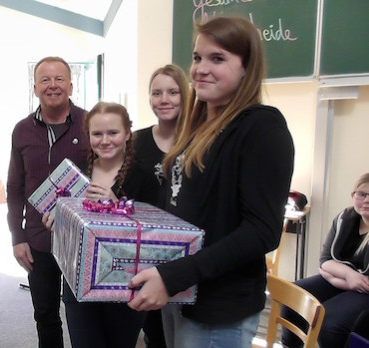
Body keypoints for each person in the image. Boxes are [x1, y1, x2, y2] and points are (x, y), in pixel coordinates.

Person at [127, 16, 295, 348]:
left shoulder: (261, 128)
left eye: (217, 58)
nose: (201, 68)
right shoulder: (199, 126)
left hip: (217, 307)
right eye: (197, 57)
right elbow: (177, 207)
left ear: (247, 67)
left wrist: (175, 275)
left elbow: (262, 231)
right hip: (182, 293)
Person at [48, 101, 158, 348]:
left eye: (113, 133)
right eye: (97, 134)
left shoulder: (144, 177)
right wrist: (58, 218)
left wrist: (116, 204)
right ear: (88, 136)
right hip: (78, 279)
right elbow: (71, 227)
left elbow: (154, 237)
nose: (105, 140)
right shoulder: (76, 174)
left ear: (128, 134)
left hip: (125, 283)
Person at [6, 56, 90, 348]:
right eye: (45, 79)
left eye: (58, 79)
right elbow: (15, 188)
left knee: (83, 313)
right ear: (35, 88)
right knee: (45, 314)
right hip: (38, 241)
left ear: (70, 85)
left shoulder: (90, 124)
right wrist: (17, 237)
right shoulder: (21, 130)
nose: (52, 85)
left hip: (81, 239)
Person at [132, 64, 190, 348]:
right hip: (147, 252)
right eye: (156, 93)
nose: (164, 99)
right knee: (155, 333)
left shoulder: (200, 141)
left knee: (186, 331)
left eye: (172, 92)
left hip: (188, 254)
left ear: (186, 95)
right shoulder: (136, 141)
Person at [281, 173, 369, 348]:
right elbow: (325, 260)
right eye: (362, 194)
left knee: (329, 323)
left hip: (364, 291)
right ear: (353, 196)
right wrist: (347, 276)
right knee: (292, 297)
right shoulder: (344, 218)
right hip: (344, 281)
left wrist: (333, 275)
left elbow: (364, 284)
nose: (366, 200)